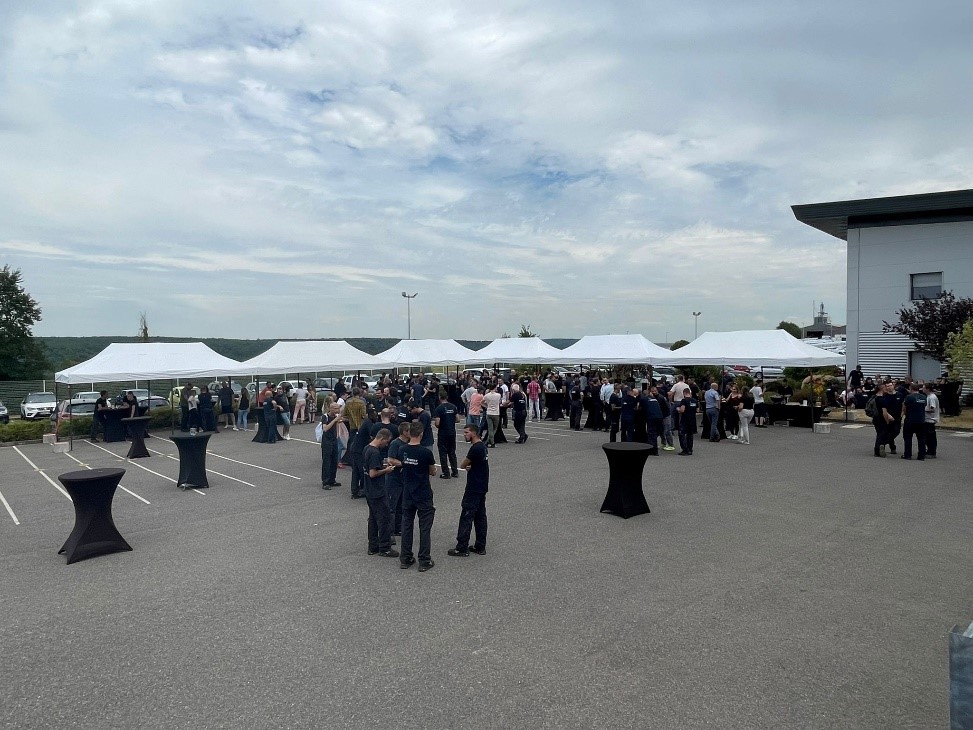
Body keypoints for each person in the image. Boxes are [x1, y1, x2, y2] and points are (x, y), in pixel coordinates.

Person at [399, 421, 437, 572]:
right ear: (421, 434)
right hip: (423, 492)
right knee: (425, 527)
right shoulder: (426, 452)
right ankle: (424, 559)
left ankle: (405, 558)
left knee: (407, 525)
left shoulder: (402, 449)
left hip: (408, 492)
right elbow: (432, 470)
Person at [448, 423, 489, 557]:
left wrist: (468, 466)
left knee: (467, 515)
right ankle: (480, 545)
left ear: (474, 433)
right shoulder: (482, 446)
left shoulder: (475, 448)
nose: (464, 435)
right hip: (482, 486)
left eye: (466, 433)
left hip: (474, 487)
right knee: (480, 516)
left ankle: (462, 547)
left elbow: (463, 464)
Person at [363, 428, 399, 558]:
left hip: (368, 490)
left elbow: (370, 469)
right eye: (387, 441)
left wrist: (382, 467)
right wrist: (386, 471)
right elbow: (373, 473)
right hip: (377, 491)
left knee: (373, 519)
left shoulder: (367, 448)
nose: (387, 444)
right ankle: (385, 547)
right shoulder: (374, 452)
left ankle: (373, 546)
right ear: (382, 438)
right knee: (384, 519)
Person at [386, 422, 410, 535]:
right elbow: (390, 459)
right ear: (405, 432)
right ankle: (389, 531)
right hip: (394, 480)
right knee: (392, 506)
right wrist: (405, 463)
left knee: (401, 506)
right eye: (410, 431)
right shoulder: (395, 444)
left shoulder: (409, 443)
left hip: (404, 480)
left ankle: (398, 528)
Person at [433, 394, 459, 478]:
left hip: (443, 433)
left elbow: (437, 423)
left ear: (440, 398)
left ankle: (446, 472)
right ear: (447, 397)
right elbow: (458, 419)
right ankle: (455, 471)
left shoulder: (438, 409)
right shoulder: (453, 407)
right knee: (452, 452)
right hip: (452, 432)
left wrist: (440, 424)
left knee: (443, 453)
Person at [349, 412, 372, 499]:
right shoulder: (368, 423)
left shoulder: (365, 422)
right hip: (359, 450)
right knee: (361, 470)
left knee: (356, 470)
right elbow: (372, 433)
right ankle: (361, 490)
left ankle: (355, 490)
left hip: (355, 448)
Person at [901, 383, 927, 461]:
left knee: (908, 438)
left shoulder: (909, 397)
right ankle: (921, 455)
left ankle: (908, 455)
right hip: (921, 420)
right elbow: (924, 406)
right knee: (921, 439)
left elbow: (904, 408)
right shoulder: (923, 397)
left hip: (910, 420)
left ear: (911, 389)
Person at [320, 403, 343, 488]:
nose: (338, 410)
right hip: (327, 441)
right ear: (331, 409)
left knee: (334, 460)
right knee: (327, 461)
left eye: (338, 408)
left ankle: (332, 480)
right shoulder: (325, 416)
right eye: (336, 408)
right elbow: (325, 429)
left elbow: (336, 425)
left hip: (334, 440)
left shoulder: (336, 416)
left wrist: (337, 435)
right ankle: (325, 481)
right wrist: (335, 420)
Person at [677, 390, 698, 455]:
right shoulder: (694, 400)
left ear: (684, 393)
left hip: (685, 420)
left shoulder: (684, 400)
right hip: (692, 420)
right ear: (690, 393)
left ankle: (685, 449)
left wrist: (678, 409)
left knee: (682, 434)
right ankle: (690, 449)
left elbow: (682, 410)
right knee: (690, 435)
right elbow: (697, 410)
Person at [922, 383, 939, 459]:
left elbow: (932, 408)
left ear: (928, 389)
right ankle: (929, 450)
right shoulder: (928, 396)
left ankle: (932, 452)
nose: (922, 389)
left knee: (930, 437)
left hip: (930, 420)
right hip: (927, 419)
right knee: (927, 437)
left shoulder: (931, 397)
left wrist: (923, 409)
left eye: (924, 388)